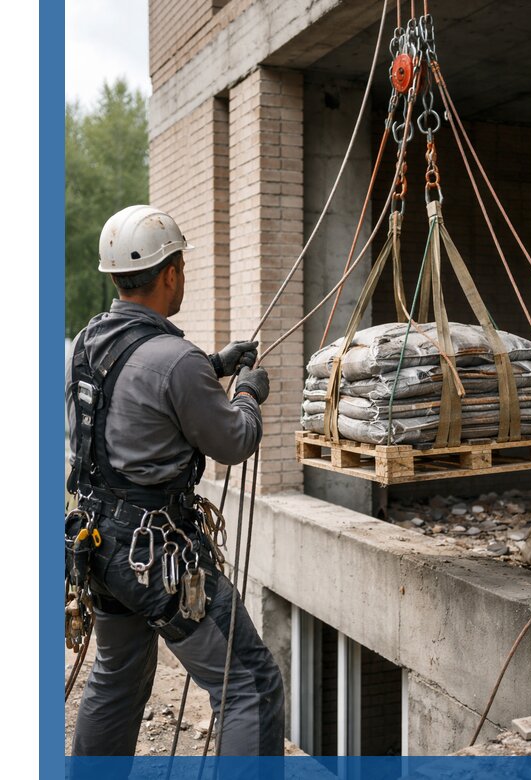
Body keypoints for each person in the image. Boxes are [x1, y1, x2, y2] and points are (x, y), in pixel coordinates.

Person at [65, 204, 285, 757]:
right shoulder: (174, 359)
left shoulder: (88, 344)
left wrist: (212, 363)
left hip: (99, 544)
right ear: (169, 274)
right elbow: (233, 440)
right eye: (182, 267)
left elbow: (137, 393)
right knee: (250, 685)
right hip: (154, 553)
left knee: (117, 676)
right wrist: (248, 393)